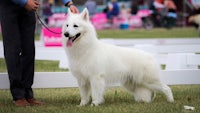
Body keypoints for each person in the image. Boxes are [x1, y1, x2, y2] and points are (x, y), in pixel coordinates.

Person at [0, 0, 78, 107]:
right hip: (9, 6)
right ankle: (18, 95)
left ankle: (28, 94)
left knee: (29, 51)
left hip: (29, 7)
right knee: (12, 50)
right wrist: (24, 2)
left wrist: (69, 3)